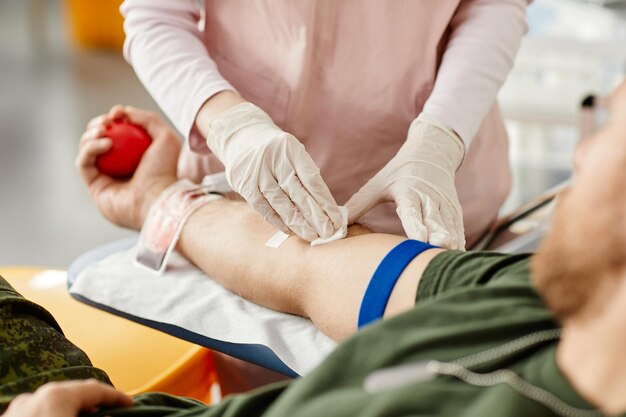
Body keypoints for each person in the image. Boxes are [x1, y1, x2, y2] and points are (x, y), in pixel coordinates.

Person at [3, 79, 626, 417]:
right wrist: (159, 200)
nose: (582, 154)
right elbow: (302, 263)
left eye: (614, 131)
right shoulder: (523, 295)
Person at [119, 0, 532, 249]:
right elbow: (156, 15)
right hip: (254, 193)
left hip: (434, 194)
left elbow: (493, 5)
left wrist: (442, 135)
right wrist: (229, 122)